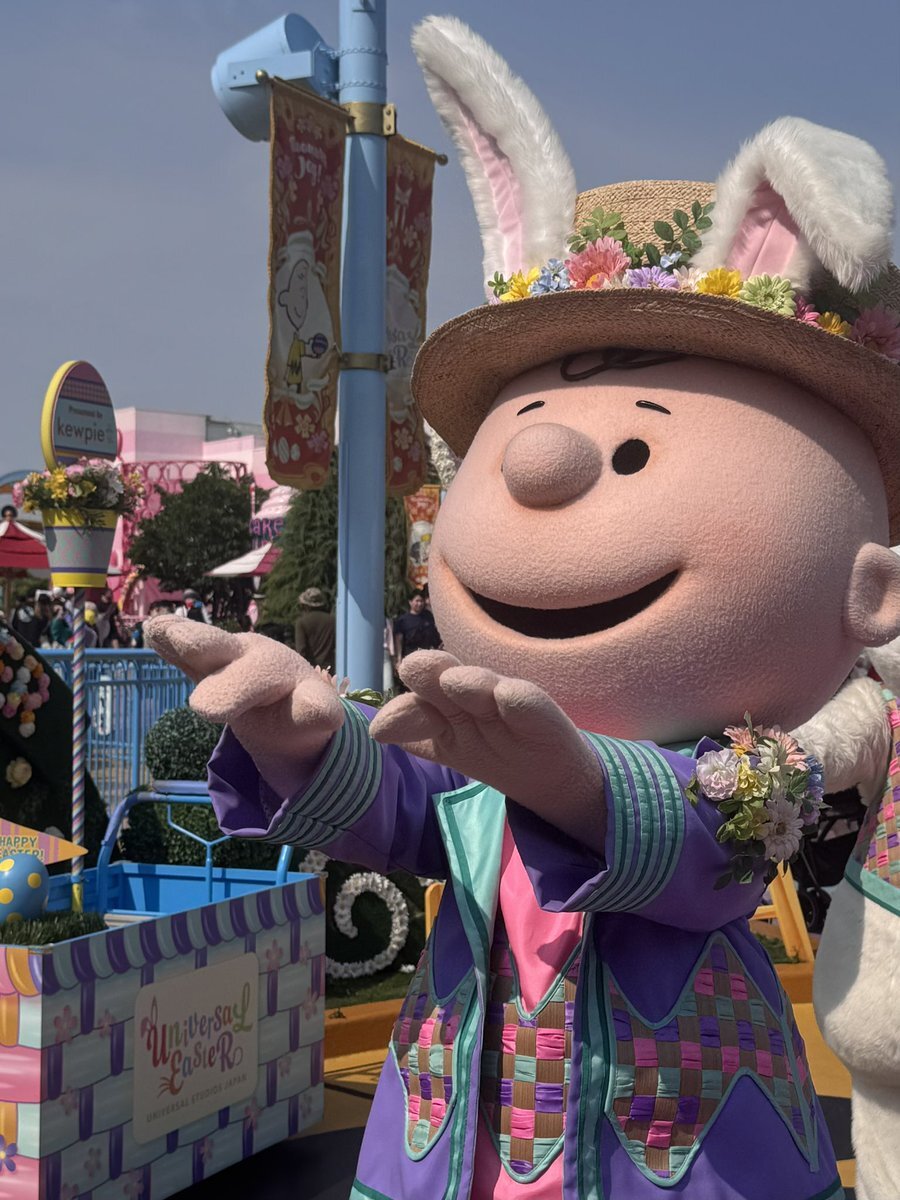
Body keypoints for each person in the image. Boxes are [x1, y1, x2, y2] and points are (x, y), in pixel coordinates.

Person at [144, 30, 900, 1200]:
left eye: (635, 447)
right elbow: (415, 814)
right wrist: (308, 740)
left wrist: (580, 784)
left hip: (682, 1150)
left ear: (872, 590)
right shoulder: (488, 745)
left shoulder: (763, 771)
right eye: (526, 427)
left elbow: (708, 864)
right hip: (455, 1142)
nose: (541, 465)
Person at [392, 591, 440, 675]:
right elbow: (399, 639)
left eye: (421, 601)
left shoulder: (428, 616)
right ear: (410, 602)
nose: (419, 604)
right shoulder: (403, 620)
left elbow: (434, 633)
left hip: (426, 655)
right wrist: (399, 658)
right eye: (417, 601)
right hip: (410, 655)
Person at [293, 587, 336, 671]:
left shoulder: (301, 622)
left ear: (306, 605)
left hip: (310, 669)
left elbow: (301, 651)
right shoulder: (332, 620)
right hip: (330, 669)